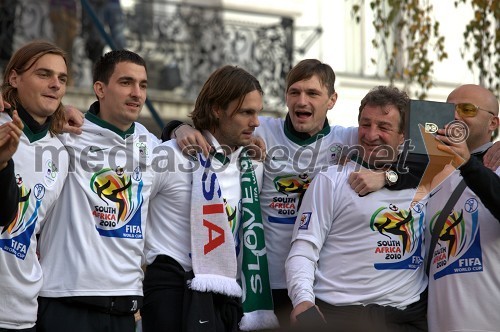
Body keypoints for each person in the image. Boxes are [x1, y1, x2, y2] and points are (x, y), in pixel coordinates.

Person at [164, 59, 417, 326]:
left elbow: (422, 154)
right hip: (260, 282)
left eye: (312, 93)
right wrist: (179, 128)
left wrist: (389, 176)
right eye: (294, 92)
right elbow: (216, 126)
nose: (301, 101)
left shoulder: (350, 138)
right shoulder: (263, 130)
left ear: (332, 100)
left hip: (313, 284)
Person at [142, 65, 279, 331]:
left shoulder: (252, 165)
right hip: (173, 290)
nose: (256, 122)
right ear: (217, 109)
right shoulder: (171, 155)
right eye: (246, 112)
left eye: (257, 112)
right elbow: (133, 211)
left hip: (227, 294)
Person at [285, 86, 428, 332]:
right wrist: (303, 300)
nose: (371, 135)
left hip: (405, 318)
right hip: (339, 316)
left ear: (403, 135)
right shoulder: (330, 180)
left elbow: (466, 155)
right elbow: (303, 250)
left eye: (384, 127)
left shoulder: (426, 180)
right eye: (365, 124)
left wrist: (387, 176)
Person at [36, 49, 157, 332]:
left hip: (127, 309)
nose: (137, 93)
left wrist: (179, 129)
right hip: (66, 302)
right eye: (126, 82)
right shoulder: (65, 132)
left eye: (143, 85)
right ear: (100, 89)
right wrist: (55, 112)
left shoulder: (151, 145)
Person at [0, 40, 70, 331]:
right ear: (14, 78)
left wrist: (178, 127)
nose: (55, 84)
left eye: (62, 78)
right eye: (44, 74)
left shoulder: (61, 153)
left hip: (20, 310)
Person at [426, 84, 499, 332]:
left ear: (493, 123)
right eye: (449, 109)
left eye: (467, 109)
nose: (456, 116)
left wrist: (468, 164)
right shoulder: (431, 173)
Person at [83, 0, 127, 69]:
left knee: (118, 42)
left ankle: (124, 67)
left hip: (109, 4)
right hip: (95, 5)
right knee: (95, 44)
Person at [49, 0, 79, 86]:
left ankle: (66, 79)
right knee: (61, 47)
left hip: (71, 8)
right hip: (59, 7)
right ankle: (61, 78)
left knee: (68, 47)